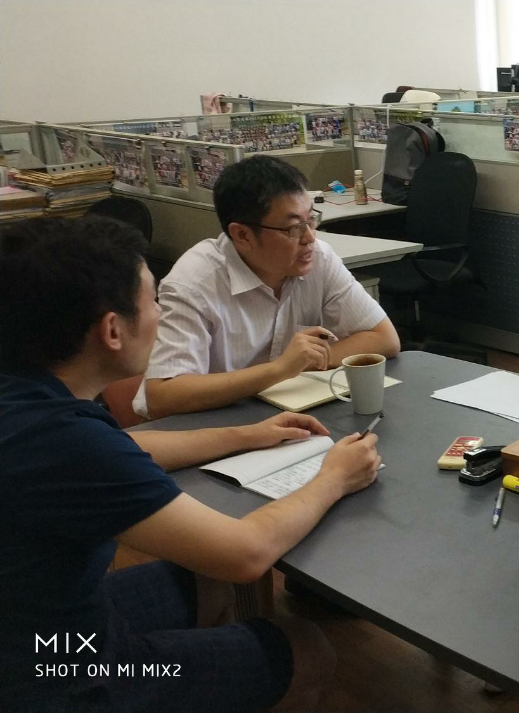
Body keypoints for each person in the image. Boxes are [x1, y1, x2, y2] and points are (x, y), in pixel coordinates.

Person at [0, 217, 382, 711]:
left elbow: (120, 451)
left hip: (40, 623)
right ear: (112, 330)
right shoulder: (67, 441)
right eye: (153, 301)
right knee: (308, 649)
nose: (160, 315)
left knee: (208, 580)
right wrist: (334, 477)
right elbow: (245, 553)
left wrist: (246, 435)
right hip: (52, 674)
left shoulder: (29, 397)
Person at [135, 155, 400, 420]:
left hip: (286, 416)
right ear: (242, 235)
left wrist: (307, 360)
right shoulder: (194, 283)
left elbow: (384, 338)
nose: (310, 238)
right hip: (216, 424)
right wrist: (280, 369)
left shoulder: (319, 258)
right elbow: (162, 396)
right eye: (293, 228)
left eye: (311, 220)